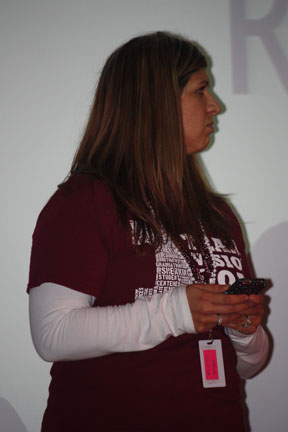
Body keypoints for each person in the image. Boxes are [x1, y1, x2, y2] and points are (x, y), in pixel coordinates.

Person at [28, 31, 268, 431]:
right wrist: (176, 311)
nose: (215, 107)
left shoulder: (218, 214)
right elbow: (52, 334)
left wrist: (245, 331)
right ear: (156, 102)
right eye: (201, 90)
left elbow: (248, 365)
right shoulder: (84, 200)